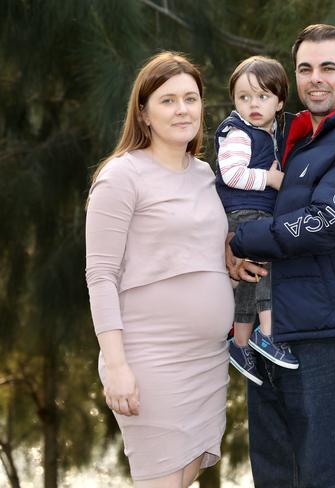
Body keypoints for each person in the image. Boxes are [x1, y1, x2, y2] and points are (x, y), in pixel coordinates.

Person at [227, 24, 335, 487]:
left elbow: (327, 223)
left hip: (327, 333)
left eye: (329, 67)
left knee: (323, 475)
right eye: (305, 68)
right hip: (271, 334)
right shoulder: (289, 140)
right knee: (275, 474)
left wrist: (240, 241)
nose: (315, 78)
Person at [85, 52, 234, 487]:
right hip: (149, 357)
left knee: (184, 476)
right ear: (144, 113)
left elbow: (196, 245)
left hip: (207, 360)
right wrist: (117, 366)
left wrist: (230, 254)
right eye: (168, 100)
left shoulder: (206, 174)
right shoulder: (121, 176)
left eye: (191, 98)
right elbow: (101, 276)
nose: (182, 109)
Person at [215, 56, 299, 385]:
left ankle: (239, 342)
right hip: (243, 210)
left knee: (250, 278)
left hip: (254, 211)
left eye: (262, 97)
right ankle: (269, 333)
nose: (252, 105)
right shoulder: (238, 132)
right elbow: (231, 173)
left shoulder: (269, 131)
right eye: (244, 97)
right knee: (267, 264)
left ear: (279, 102)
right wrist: (271, 179)